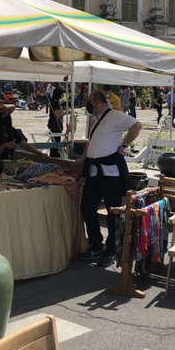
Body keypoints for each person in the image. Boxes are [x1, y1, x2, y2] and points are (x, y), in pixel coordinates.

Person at [75, 90, 142, 267]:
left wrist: (124, 145)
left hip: (110, 172)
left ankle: (112, 249)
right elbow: (92, 141)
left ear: (97, 101)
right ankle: (96, 245)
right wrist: (83, 158)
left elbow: (136, 125)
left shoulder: (115, 115)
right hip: (94, 171)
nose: (88, 105)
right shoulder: (97, 118)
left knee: (113, 211)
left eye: (90, 101)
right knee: (87, 207)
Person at [46, 87, 67, 158]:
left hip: (52, 123)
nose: (62, 95)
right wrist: (66, 112)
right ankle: (54, 155)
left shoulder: (53, 101)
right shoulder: (55, 102)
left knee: (55, 141)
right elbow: (58, 115)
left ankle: (53, 154)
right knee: (56, 141)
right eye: (62, 94)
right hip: (55, 124)